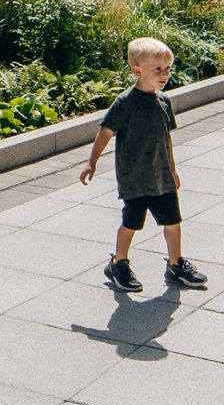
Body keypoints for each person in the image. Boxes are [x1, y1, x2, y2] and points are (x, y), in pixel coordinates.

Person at [82, 36, 206, 293]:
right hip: (135, 177)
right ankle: (118, 263)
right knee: (131, 223)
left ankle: (175, 265)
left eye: (168, 69)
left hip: (161, 176)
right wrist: (91, 162)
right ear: (137, 71)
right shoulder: (126, 102)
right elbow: (105, 131)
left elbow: (166, 137)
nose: (164, 75)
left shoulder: (164, 101)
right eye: (157, 69)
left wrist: (172, 169)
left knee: (173, 222)